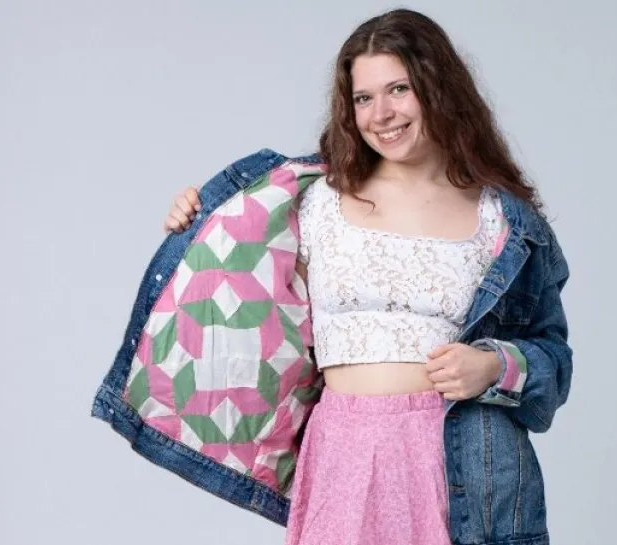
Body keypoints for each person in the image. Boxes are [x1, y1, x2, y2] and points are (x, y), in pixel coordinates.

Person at [163, 8, 572, 545]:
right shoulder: (313, 199)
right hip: (341, 453)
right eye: (363, 97)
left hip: (459, 461)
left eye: (399, 89)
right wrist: (197, 222)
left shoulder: (505, 222)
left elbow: (553, 358)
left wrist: (494, 365)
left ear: (439, 88)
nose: (381, 113)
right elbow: (223, 294)